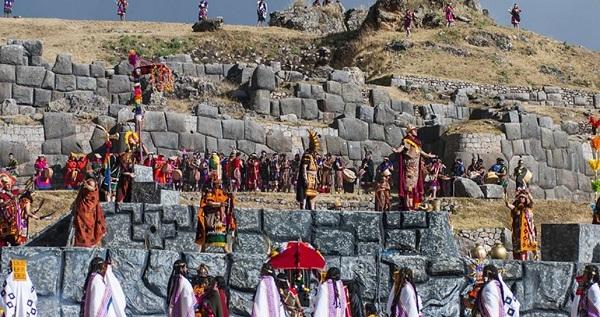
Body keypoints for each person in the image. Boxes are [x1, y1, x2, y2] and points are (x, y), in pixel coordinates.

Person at [393, 126, 436, 210]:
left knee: (415, 187)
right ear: (409, 132)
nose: (416, 131)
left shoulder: (417, 142)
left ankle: (415, 206)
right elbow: (402, 147)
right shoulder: (407, 141)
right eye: (414, 130)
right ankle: (408, 206)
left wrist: (428, 155)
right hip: (409, 167)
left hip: (416, 169)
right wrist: (397, 150)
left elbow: (422, 152)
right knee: (409, 187)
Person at [195, 179, 236, 253]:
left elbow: (226, 198)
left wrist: (231, 196)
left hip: (220, 216)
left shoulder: (222, 191)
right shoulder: (209, 192)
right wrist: (219, 204)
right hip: (210, 216)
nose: (219, 184)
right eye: (217, 183)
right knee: (208, 231)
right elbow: (208, 202)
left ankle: (225, 248)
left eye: (220, 183)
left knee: (221, 231)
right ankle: (203, 248)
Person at [71, 176, 107, 247]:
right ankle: (81, 244)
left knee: (89, 229)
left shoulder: (92, 185)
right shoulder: (85, 184)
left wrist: (87, 186)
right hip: (82, 211)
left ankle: (89, 243)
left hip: (89, 212)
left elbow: (93, 190)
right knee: (80, 230)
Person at [505, 190, 538, 261]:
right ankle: (518, 260)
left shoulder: (528, 208)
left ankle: (527, 259)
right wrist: (505, 196)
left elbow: (532, 201)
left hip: (526, 231)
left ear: (526, 199)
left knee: (525, 247)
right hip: (517, 231)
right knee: (517, 248)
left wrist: (528, 193)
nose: (521, 199)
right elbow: (508, 205)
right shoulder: (516, 208)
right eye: (520, 197)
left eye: (523, 198)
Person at [297, 130, 321, 211]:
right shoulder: (307, 155)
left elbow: (316, 169)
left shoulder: (313, 156)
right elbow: (304, 167)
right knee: (305, 194)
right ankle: (303, 209)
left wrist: (317, 178)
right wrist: (305, 178)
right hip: (308, 176)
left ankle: (312, 209)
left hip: (313, 178)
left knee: (313, 195)